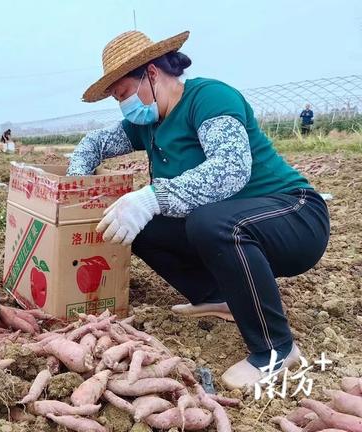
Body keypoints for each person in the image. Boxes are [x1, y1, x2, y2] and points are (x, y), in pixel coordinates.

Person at [69, 30, 329, 389]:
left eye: (125, 94)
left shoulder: (208, 98)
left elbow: (231, 168)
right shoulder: (148, 123)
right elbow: (94, 143)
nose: (123, 105)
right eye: (117, 99)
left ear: (153, 74)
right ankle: (218, 297)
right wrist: (74, 183)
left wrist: (152, 197)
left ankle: (276, 349)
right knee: (137, 225)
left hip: (294, 216)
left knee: (208, 221)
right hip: (235, 224)